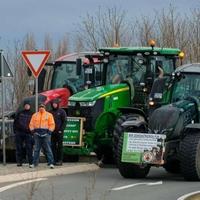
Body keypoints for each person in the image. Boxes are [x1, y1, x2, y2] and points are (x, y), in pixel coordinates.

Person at [29, 103, 55, 168]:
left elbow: (52, 124)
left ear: (45, 107)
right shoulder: (35, 115)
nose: (41, 108)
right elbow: (31, 124)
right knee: (36, 149)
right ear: (38, 107)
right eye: (40, 107)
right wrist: (32, 131)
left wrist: (49, 132)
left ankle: (51, 163)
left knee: (48, 149)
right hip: (37, 134)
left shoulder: (49, 115)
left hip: (46, 134)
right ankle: (35, 164)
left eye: (42, 107)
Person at [13, 100, 33, 167]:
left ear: (30, 106)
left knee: (29, 148)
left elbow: (34, 124)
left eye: (28, 105)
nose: (27, 106)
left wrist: (32, 132)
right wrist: (15, 131)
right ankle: (19, 162)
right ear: (24, 106)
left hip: (28, 133)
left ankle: (31, 162)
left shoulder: (32, 114)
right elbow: (15, 122)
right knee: (19, 148)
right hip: (19, 133)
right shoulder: (19, 113)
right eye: (26, 105)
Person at [50, 99, 67, 165]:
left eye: (55, 104)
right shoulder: (50, 112)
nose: (54, 105)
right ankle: (54, 160)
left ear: (57, 104)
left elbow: (64, 121)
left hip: (59, 132)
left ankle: (60, 160)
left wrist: (61, 130)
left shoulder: (62, 111)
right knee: (53, 146)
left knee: (60, 146)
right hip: (52, 132)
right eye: (53, 104)